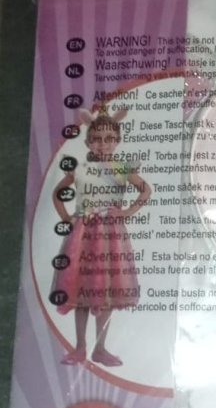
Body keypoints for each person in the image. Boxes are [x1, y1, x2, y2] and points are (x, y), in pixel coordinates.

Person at [52, 104, 151, 366]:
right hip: (83, 234)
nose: (103, 144)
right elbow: (58, 194)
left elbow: (145, 190)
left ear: (117, 141)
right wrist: (67, 219)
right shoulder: (81, 168)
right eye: (96, 139)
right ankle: (80, 347)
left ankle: (100, 348)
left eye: (108, 139)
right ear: (88, 142)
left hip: (110, 236)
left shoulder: (122, 168)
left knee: (106, 289)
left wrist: (127, 212)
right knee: (82, 289)